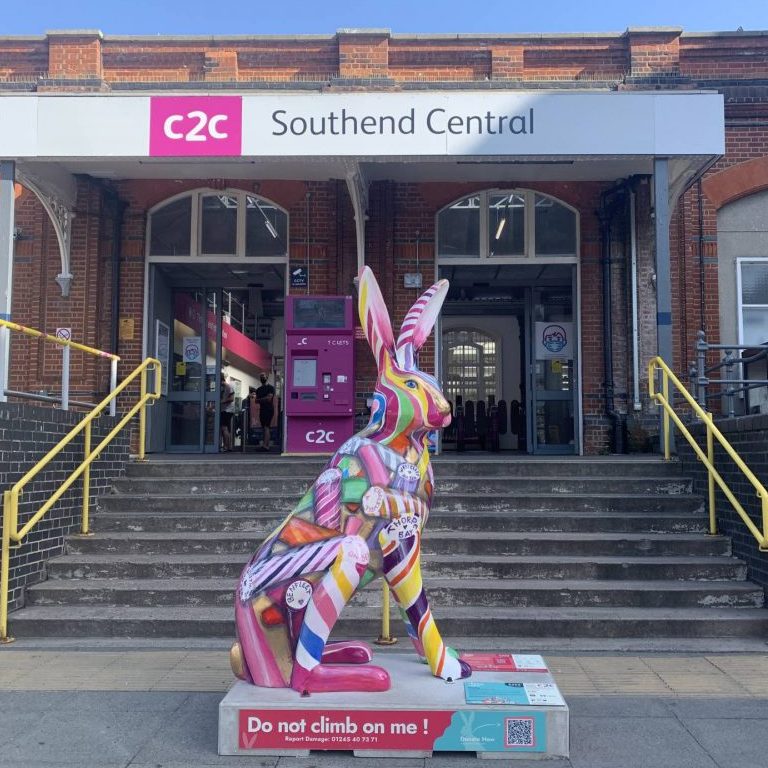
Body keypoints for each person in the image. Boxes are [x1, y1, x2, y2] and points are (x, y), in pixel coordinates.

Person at [255, 372, 275, 451]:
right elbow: (256, 401)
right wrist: (264, 399)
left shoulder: (271, 388)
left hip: (269, 409)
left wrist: (261, 400)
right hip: (262, 409)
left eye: (263, 376)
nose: (262, 377)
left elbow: (269, 399)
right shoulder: (259, 389)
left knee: (267, 427)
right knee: (264, 427)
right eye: (261, 376)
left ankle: (266, 446)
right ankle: (264, 445)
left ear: (267, 377)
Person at [220, 372, 235, 452]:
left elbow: (232, 398)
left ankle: (226, 446)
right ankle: (228, 446)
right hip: (224, 410)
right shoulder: (222, 387)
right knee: (225, 428)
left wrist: (222, 401)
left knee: (224, 428)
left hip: (227, 410)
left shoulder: (228, 386)